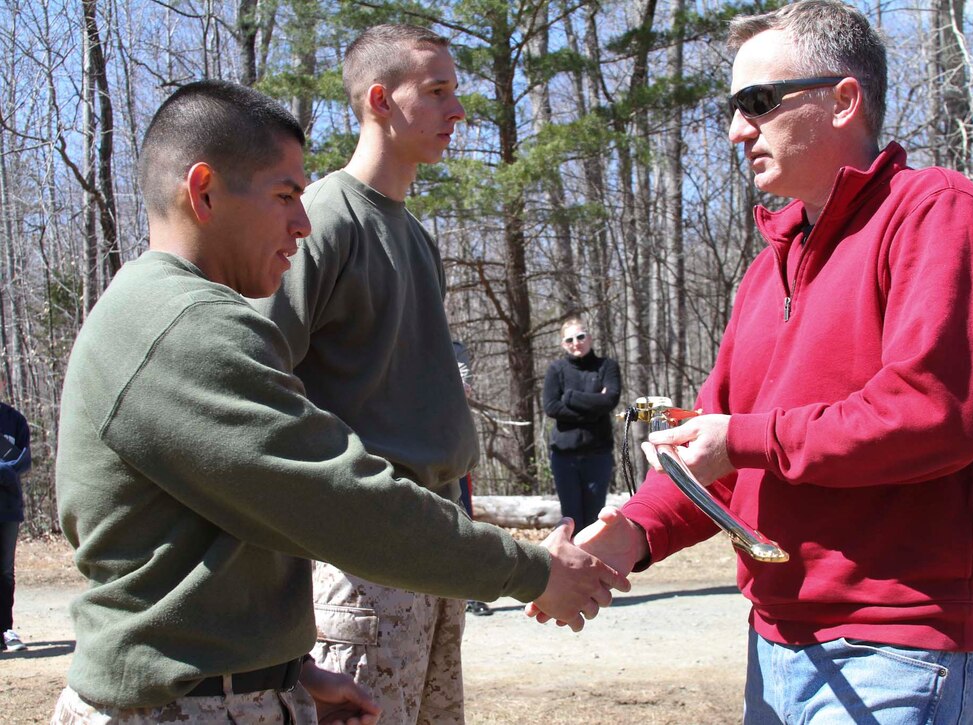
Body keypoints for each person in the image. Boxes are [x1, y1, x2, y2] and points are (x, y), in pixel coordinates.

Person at [52, 79, 626, 724]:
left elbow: (215, 540)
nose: (303, 221)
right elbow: (336, 502)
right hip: (181, 707)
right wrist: (531, 569)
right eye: (285, 195)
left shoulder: (167, 312)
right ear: (204, 189)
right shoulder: (184, 326)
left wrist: (287, 675)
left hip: (220, 691)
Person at [561, 2, 973, 722]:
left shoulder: (937, 215)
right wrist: (633, 530)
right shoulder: (766, 270)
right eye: (732, 106)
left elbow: (935, 414)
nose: (736, 128)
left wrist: (741, 438)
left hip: (896, 646)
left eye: (758, 102)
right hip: (774, 643)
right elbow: (712, 443)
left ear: (844, 100)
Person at [248, 24, 500, 723]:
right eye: (439, 91)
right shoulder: (325, 219)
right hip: (362, 570)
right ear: (381, 101)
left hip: (435, 549)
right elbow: (255, 379)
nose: (458, 111)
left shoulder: (413, 232)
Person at [542, 318, 622, 534]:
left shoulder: (607, 367)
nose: (576, 343)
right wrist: (594, 407)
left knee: (595, 517)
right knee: (571, 518)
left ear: (590, 337)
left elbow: (610, 401)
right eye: (569, 339)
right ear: (563, 344)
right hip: (564, 457)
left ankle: (593, 564)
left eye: (580, 336)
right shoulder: (556, 370)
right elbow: (551, 407)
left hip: (598, 454)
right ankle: (572, 565)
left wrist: (569, 397)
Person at [452, 340, 493, 617]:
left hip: (453, 444)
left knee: (462, 517)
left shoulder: (454, 347)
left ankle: (468, 592)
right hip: (410, 447)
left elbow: (461, 386)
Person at [0, 371, 31, 654]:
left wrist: (3, 470)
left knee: (5, 571)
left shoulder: (15, 420)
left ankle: (6, 628)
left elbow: (23, 461)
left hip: (8, 508)